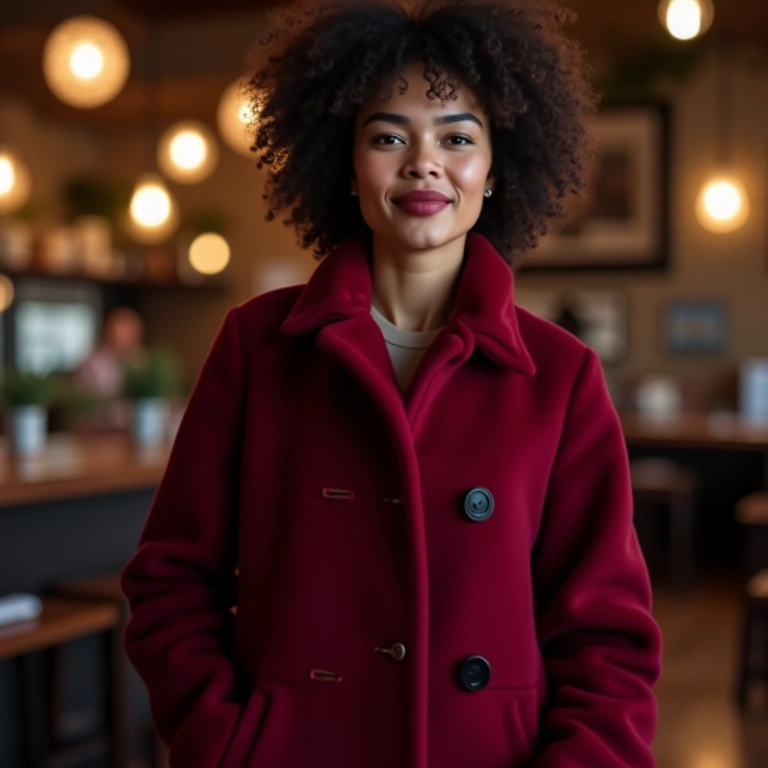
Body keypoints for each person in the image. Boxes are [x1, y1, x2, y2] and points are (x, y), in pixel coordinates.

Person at [121, 1, 662, 766]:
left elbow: (607, 639)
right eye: (387, 136)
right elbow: (171, 582)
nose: (423, 162)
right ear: (345, 163)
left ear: (497, 166)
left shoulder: (563, 375)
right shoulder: (255, 346)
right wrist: (229, 747)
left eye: (457, 137)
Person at [73, 306, 145, 430]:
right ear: (107, 332)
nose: (125, 341)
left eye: (131, 335)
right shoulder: (91, 364)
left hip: (135, 431)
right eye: (118, 335)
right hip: (99, 433)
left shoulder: (142, 360)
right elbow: (81, 408)